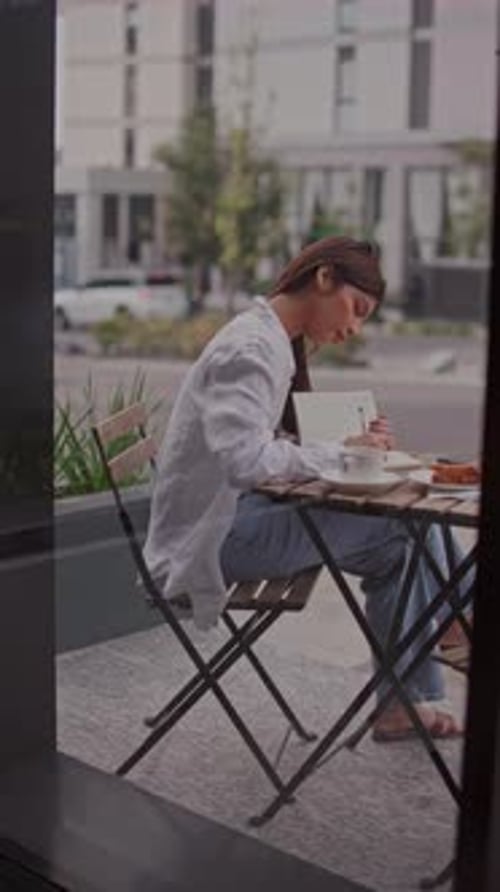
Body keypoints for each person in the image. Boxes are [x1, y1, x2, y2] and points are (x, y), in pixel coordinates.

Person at [143, 235, 469, 742]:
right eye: (356, 309)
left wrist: (353, 441)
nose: (354, 328)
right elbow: (246, 460)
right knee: (407, 530)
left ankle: (441, 641)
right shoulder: (251, 349)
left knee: (410, 523)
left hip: (231, 519)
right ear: (323, 278)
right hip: (211, 542)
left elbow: (260, 443)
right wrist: (344, 452)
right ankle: (454, 624)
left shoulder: (268, 339)